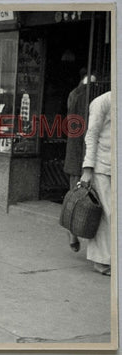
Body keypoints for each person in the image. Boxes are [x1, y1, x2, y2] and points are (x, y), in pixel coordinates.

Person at [63, 69, 97, 252]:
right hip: (83, 154)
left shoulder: (74, 95)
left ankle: (72, 232)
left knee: (74, 196)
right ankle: (73, 231)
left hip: (75, 153)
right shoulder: (87, 98)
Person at [80, 91, 111, 276]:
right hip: (102, 167)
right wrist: (88, 169)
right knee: (107, 215)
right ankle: (102, 262)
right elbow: (91, 136)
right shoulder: (101, 102)